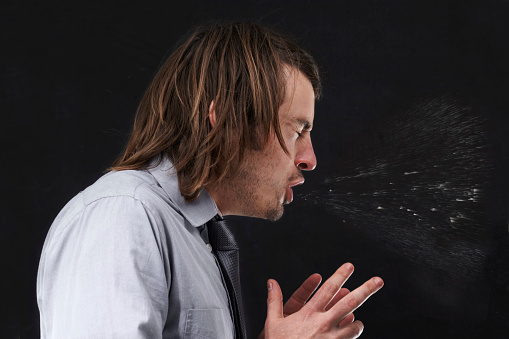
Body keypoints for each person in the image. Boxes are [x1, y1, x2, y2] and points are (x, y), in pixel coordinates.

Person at [37, 21, 384, 338]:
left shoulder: (192, 235)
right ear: (228, 121)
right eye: (297, 131)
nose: (309, 159)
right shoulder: (122, 216)